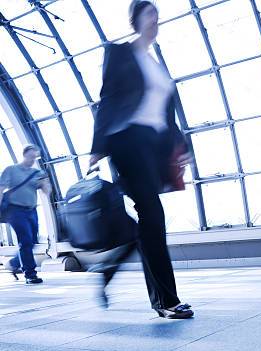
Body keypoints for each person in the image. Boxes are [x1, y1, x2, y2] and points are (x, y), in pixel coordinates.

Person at [89, 0, 193, 318]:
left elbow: (168, 115)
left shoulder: (157, 66)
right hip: (127, 143)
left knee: (149, 223)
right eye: (149, 14)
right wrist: (97, 146)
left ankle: (111, 266)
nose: (155, 20)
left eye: (158, 15)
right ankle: (166, 301)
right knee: (153, 216)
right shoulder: (119, 53)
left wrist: (182, 146)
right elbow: (107, 99)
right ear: (134, 21)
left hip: (152, 149)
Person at [0, 145, 50, 284]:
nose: (32, 160)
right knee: (26, 240)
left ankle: (13, 263)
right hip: (15, 210)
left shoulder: (37, 172)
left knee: (32, 241)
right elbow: (1, 188)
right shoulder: (11, 170)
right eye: (30, 157)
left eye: (35, 158)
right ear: (24, 154)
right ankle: (30, 274)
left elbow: (46, 192)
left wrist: (45, 182)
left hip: (31, 210)